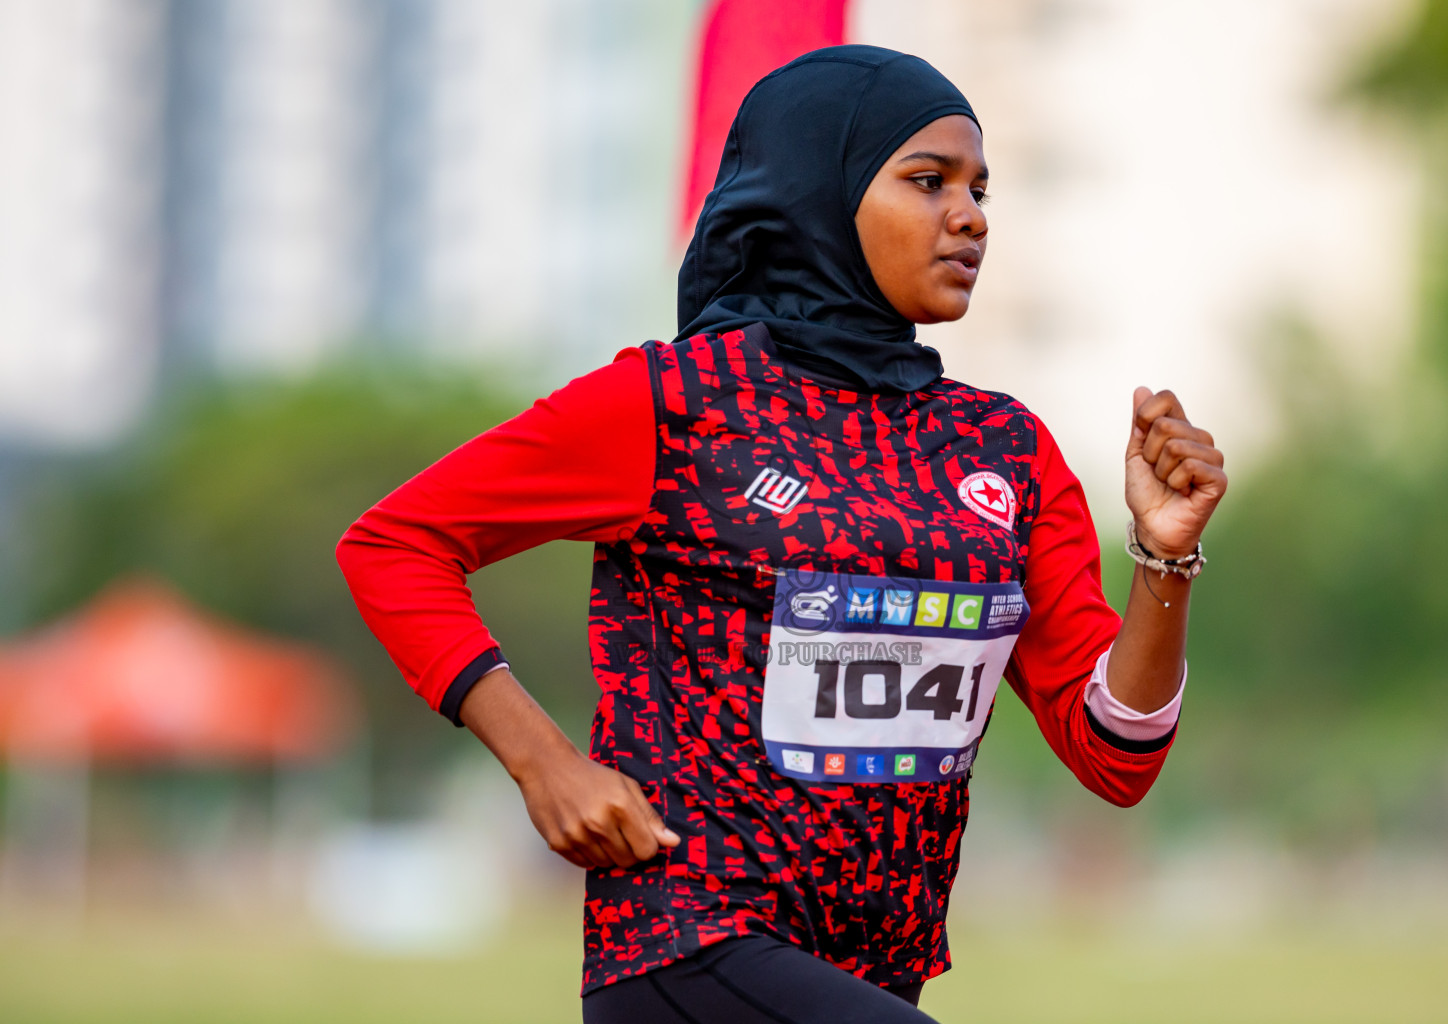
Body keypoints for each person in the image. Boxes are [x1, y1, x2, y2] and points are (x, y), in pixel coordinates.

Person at [337, 45, 1227, 1024]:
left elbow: (1115, 754)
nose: (970, 216)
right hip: (688, 946)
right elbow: (395, 545)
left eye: (979, 188)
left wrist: (1165, 557)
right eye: (927, 182)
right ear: (819, 190)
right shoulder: (676, 404)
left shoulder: (1005, 448)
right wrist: (543, 760)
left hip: (874, 976)